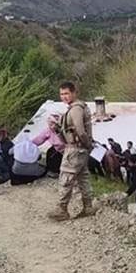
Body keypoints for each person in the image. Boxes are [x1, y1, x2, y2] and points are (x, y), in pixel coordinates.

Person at [47, 82, 96, 221]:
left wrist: (86, 144)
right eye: (62, 94)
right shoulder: (77, 108)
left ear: (74, 93)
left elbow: (80, 131)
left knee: (66, 178)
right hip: (79, 149)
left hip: (75, 149)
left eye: (67, 93)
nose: (64, 97)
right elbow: (69, 131)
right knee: (83, 177)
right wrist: (56, 128)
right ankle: (88, 206)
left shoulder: (76, 109)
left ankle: (62, 209)